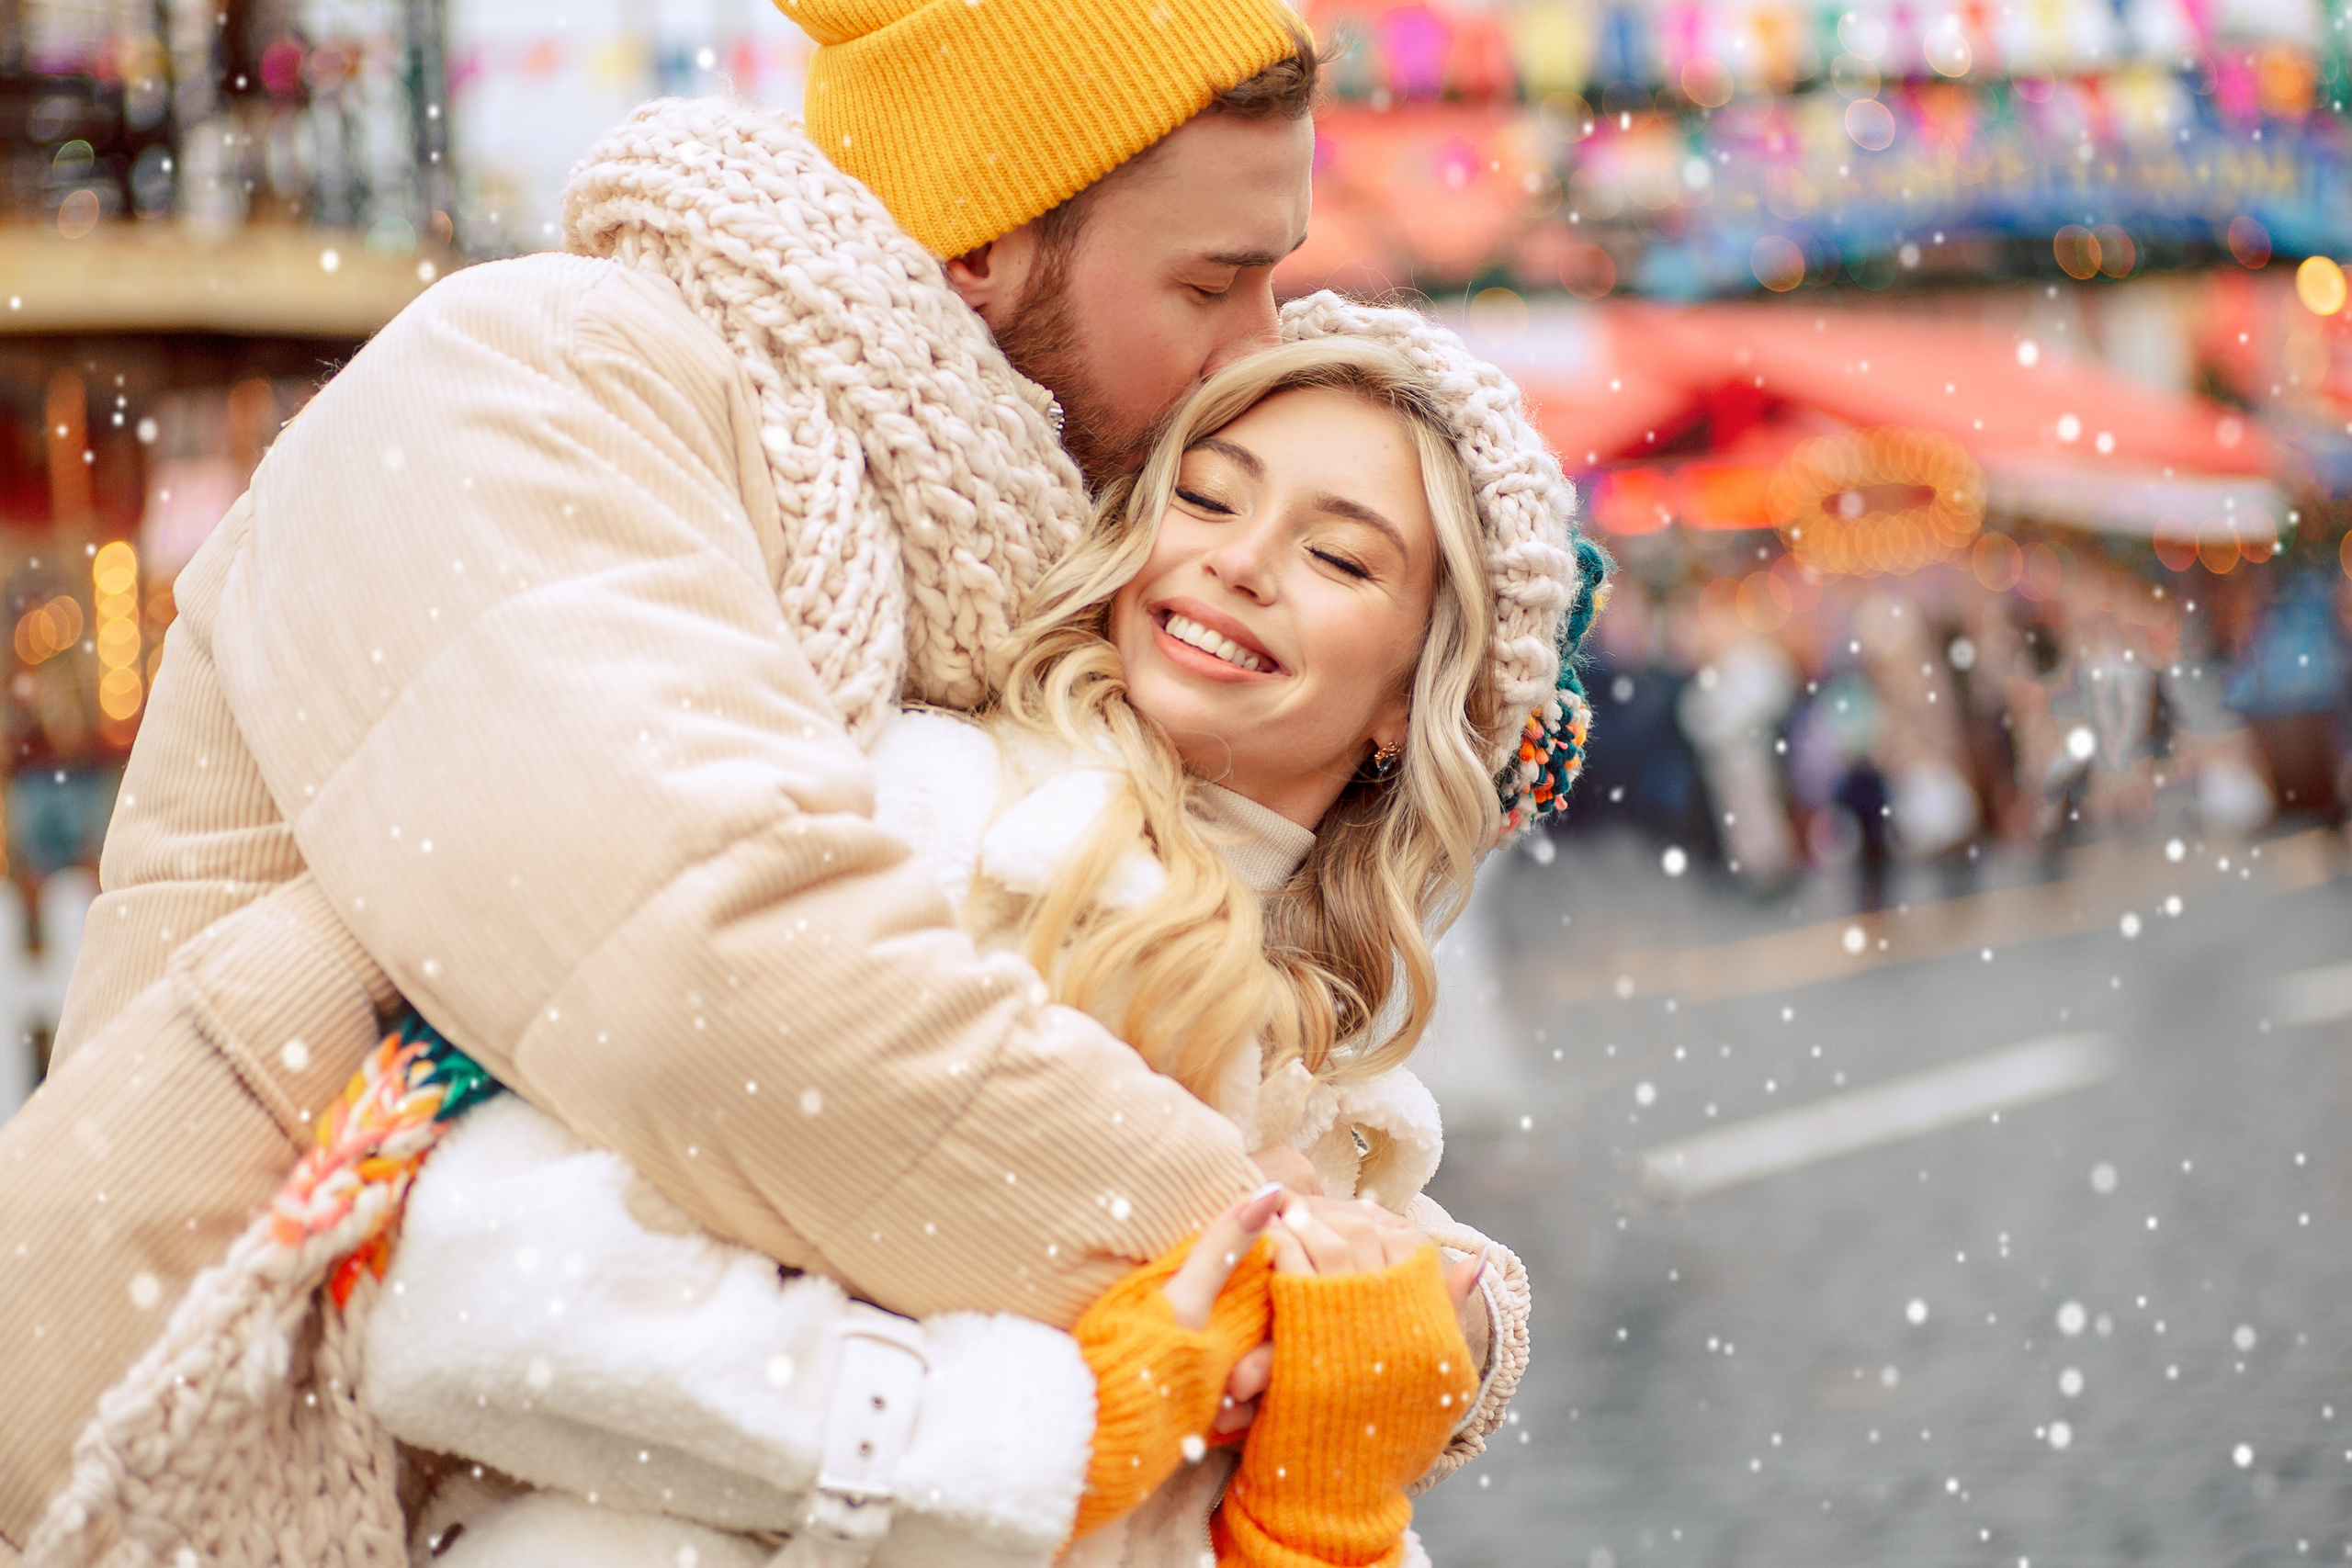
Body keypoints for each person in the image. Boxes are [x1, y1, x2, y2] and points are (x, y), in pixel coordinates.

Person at [0, 1, 1342, 1553]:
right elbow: (717, 988)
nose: (1259, 348)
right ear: (982, 249)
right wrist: (1283, 1263)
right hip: (277, 1450)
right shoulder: (525, 379)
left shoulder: (1015, 571)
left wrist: (1447, 1299)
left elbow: (1168, 1002)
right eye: (1213, 282)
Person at [229, 319, 1592, 1568]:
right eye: (1208, 494)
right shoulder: (912, 819)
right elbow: (477, 1298)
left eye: (1338, 554)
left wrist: (1340, 1480)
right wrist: (1057, 1429)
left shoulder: (1338, 1083)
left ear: (1415, 702)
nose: (1238, 559)